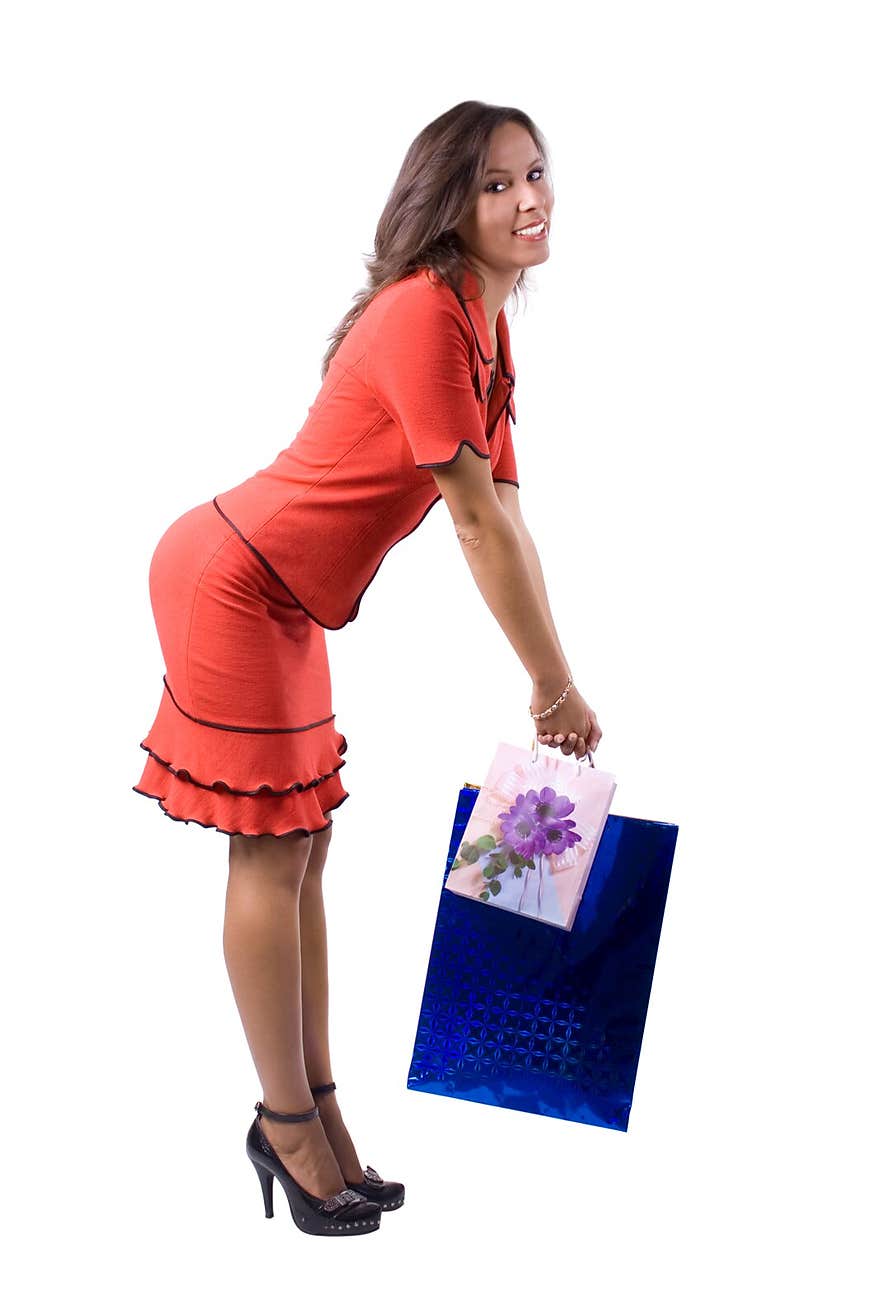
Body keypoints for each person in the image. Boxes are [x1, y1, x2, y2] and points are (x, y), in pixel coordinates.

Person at [131, 100, 602, 1238]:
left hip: (279, 601)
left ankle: (319, 1113)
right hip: (231, 583)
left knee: (307, 847)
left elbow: (512, 521)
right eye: (496, 183)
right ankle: (285, 1125)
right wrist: (551, 687)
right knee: (273, 844)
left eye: (536, 173)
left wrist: (557, 677)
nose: (528, 197)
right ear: (447, 203)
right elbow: (475, 527)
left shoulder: (484, 330)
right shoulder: (421, 318)